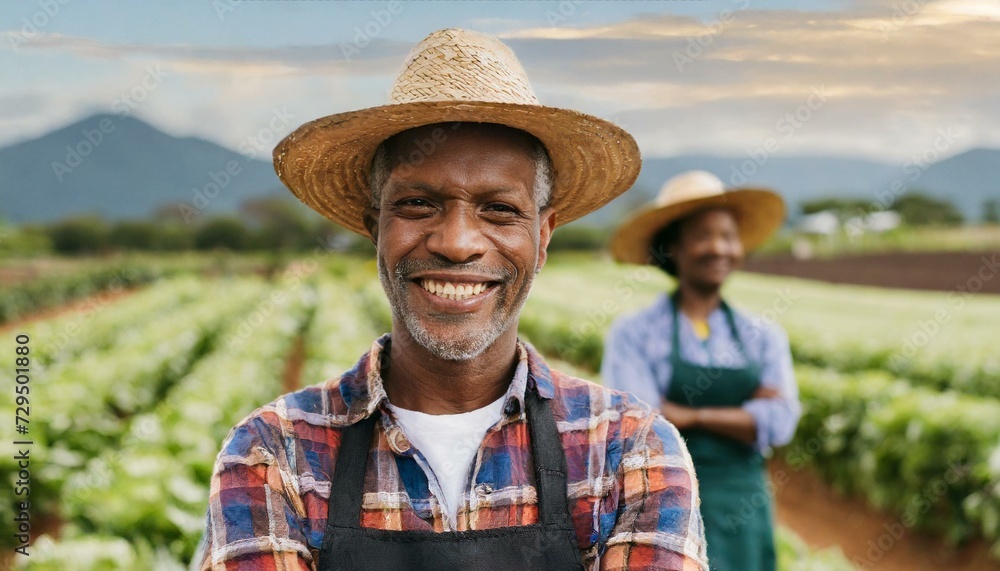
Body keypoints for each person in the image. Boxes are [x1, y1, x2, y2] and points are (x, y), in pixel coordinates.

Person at [197, 29, 707, 571]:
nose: (457, 242)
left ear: (544, 237)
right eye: (418, 203)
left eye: (499, 209)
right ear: (376, 229)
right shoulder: (274, 453)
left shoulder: (628, 449)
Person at [601, 171, 801, 571]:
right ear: (672, 248)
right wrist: (744, 411)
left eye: (727, 236)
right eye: (702, 236)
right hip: (664, 501)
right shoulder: (635, 332)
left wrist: (689, 413)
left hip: (742, 502)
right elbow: (640, 426)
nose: (718, 248)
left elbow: (781, 422)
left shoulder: (763, 335)